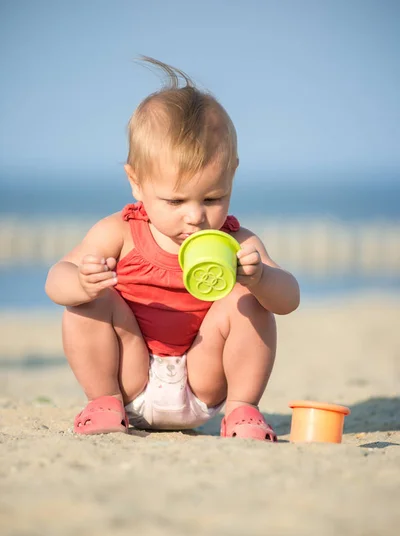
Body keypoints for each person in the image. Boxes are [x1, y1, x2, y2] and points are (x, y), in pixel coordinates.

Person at [45, 57, 300, 441]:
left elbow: (289, 299)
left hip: (203, 382)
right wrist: (82, 283)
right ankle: (101, 401)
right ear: (136, 183)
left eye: (214, 198)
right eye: (176, 202)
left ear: (232, 174)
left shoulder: (236, 241)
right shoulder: (120, 231)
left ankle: (242, 409)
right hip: (130, 380)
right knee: (88, 304)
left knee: (247, 302)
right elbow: (55, 280)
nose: (196, 217)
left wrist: (260, 279)